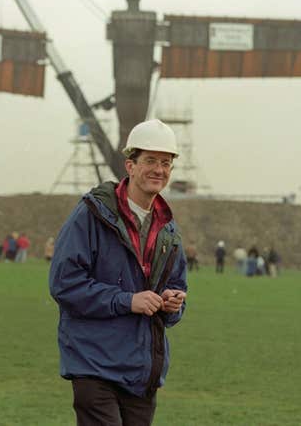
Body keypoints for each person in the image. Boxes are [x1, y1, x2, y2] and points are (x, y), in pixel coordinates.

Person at [49, 119, 188, 426]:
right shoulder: (91, 215)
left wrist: (172, 303)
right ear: (130, 165)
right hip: (94, 364)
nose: (159, 170)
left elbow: (178, 288)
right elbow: (64, 284)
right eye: (150, 161)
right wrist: (127, 300)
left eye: (166, 163)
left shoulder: (168, 228)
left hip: (141, 371)